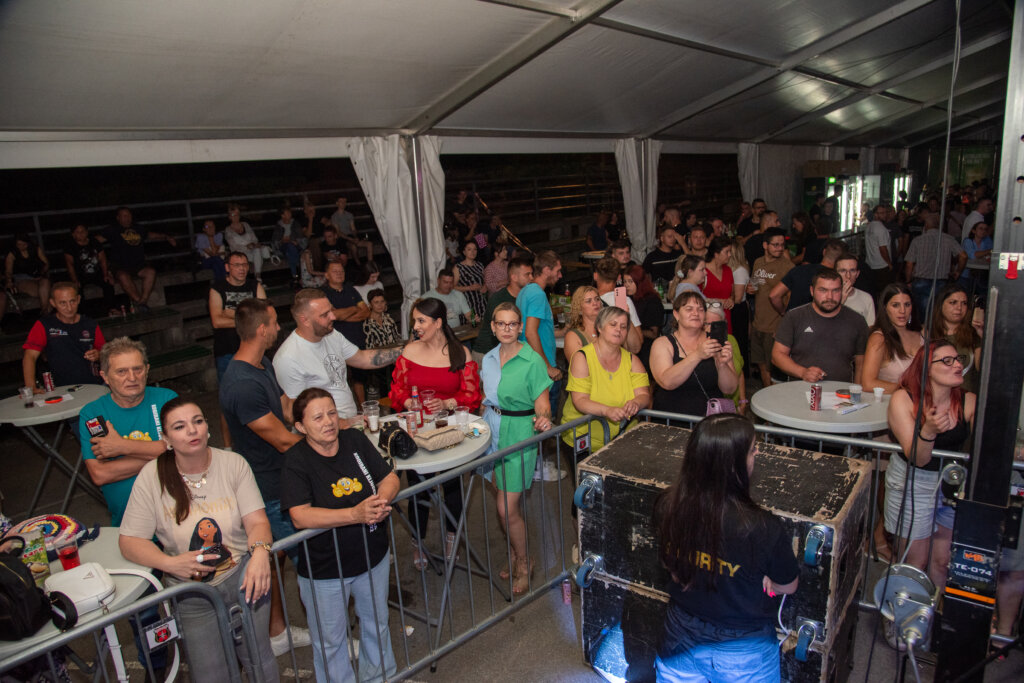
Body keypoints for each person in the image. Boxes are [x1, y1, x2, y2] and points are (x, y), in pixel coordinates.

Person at [119, 398, 278, 683]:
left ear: (207, 427)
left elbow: (257, 522)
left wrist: (259, 555)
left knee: (260, 663)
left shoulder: (233, 464)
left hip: (245, 581)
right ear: (166, 439)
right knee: (210, 674)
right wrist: (169, 563)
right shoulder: (151, 477)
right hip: (191, 596)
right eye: (180, 426)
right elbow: (130, 540)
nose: (192, 430)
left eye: (198, 421)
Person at [654, 414, 798, 682]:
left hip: (679, 633)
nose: (757, 454)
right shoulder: (763, 526)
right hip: (743, 649)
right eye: (753, 450)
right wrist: (771, 586)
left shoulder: (667, 506)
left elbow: (672, 567)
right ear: (733, 466)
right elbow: (788, 586)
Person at [281, 388, 399, 683]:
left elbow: (389, 477)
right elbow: (300, 515)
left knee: (377, 625)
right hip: (325, 570)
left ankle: (380, 677)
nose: (328, 421)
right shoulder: (296, 460)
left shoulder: (354, 441)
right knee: (331, 642)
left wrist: (381, 501)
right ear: (300, 427)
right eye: (318, 417)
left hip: (372, 557)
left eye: (332, 413)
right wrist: (353, 515)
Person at [219, 297, 312, 655]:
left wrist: (316, 415)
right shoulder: (242, 383)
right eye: (274, 323)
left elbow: (286, 406)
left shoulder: (262, 364)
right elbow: (283, 440)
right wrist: (324, 438)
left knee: (277, 561)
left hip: (279, 478)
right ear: (261, 330)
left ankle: (276, 633)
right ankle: (327, 636)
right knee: (310, 563)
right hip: (269, 488)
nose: (278, 328)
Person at [390, 297, 482, 569]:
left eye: (422, 321)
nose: (416, 326)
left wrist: (446, 403)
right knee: (418, 489)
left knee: (452, 487)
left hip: (450, 431)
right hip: (417, 431)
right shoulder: (410, 350)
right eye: (415, 321)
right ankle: (417, 541)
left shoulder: (460, 353)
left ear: (439, 322)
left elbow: (471, 395)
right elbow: (397, 389)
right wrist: (409, 403)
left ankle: (453, 536)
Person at [885, 341, 976, 589]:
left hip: (951, 483)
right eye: (947, 361)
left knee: (943, 561)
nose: (957, 365)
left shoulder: (968, 400)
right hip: (913, 482)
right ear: (926, 368)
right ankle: (904, 611)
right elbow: (919, 459)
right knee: (915, 562)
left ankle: (935, 610)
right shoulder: (903, 399)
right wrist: (928, 431)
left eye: (958, 359)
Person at [479, 303, 553, 593]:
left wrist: (543, 419)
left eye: (512, 324)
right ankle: (513, 551)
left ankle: (524, 561)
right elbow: (487, 398)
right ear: (493, 326)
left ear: (521, 327)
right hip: (492, 429)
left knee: (505, 508)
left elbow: (543, 403)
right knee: (501, 497)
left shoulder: (532, 360)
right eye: (501, 323)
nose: (507, 329)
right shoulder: (488, 358)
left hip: (520, 431)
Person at [79, 337, 177, 525]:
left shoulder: (167, 400)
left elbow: (186, 450)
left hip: (178, 514)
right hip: (130, 522)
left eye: (137, 369)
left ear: (147, 370)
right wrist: (165, 453)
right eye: (121, 371)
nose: (132, 378)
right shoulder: (93, 414)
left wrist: (123, 446)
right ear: (105, 377)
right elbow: (100, 474)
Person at [274, 289, 401, 422]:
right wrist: (340, 423)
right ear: (304, 320)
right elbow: (292, 413)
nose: (333, 317)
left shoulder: (331, 334)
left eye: (331, 311)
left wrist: (405, 351)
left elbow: (362, 358)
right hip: (326, 430)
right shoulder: (288, 358)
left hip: (349, 422)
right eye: (325, 314)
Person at [560, 306, 650, 454]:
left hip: (623, 438)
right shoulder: (582, 357)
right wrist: (607, 410)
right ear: (600, 327)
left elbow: (644, 395)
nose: (618, 330)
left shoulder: (633, 360)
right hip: (584, 439)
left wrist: (636, 403)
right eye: (613, 324)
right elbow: (580, 400)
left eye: (623, 327)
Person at [773, 268, 868, 384]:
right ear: (812, 291)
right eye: (823, 290)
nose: (830, 297)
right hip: (800, 389)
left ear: (842, 291)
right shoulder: (794, 317)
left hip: (842, 392)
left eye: (836, 290)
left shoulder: (857, 321)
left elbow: (861, 363)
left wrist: (857, 391)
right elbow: (777, 355)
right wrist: (803, 372)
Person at [650, 291, 737, 418]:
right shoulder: (662, 343)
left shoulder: (715, 341)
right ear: (676, 314)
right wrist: (697, 355)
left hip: (709, 421)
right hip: (672, 419)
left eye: (700, 309)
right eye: (689, 309)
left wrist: (722, 364)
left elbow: (730, 389)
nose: (696, 313)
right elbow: (667, 382)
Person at [22, 282, 105, 391]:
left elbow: (106, 352)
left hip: (93, 385)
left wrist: (98, 354)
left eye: (72, 301)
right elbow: (30, 356)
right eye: (63, 303)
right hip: (61, 388)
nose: (69, 308)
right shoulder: (45, 325)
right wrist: (31, 387)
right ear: (53, 303)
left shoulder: (90, 324)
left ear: (78, 299)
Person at [101, 207, 175, 311]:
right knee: (123, 276)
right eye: (124, 216)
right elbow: (97, 240)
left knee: (151, 272)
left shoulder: (138, 228)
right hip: (120, 266)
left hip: (138, 265)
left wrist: (166, 237)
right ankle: (139, 301)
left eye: (129, 215)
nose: (127, 218)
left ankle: (143, 301)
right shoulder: (112, 230)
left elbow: (150, 235)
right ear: (118, 218)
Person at [749, 228, 793, 387]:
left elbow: (791, 298)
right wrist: (750, 288)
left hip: (774, 327)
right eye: (775, 245)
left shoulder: (787, 267)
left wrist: (783, 325)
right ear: (765, 245)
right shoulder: (758, 262)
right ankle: (766, 394)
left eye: (782, 245)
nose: (780, 248)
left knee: (773, 368)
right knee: (761, 365)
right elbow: (754, 286)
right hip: (758, 323)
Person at [321, 261, 370, 404]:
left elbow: (366, 311)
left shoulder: (351, 289)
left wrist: (343, 315)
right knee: (339, 377)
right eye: (335, 271)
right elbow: (334, 315)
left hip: (357, 339)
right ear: (327, 275)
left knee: (360, 377)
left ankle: (362, 407)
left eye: (341, 271)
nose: (339, 274)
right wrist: (354, 308)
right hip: (335, 343)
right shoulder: (323, 293)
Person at [862, 283, 923, 395]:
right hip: (892, 402)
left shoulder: (923, 334)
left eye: (907, 304)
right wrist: (909, 390)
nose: (902, 311)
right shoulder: (879, 339)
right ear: (885, 308)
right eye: (895, 305)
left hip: (923, 402)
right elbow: (868, 384)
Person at [472, 255, 534, 364]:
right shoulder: (499, 299)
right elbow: (498, 332)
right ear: (514, 277)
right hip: (487, 353)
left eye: (531, 274)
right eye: (527, 274)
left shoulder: (524, 296)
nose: (531, 278)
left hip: (504, 352)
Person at [904, 213, 967, 318]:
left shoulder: (917, 240)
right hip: (941, 281)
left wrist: (908, 280)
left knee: (921, 314)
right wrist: (958, 271)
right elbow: (963, 256)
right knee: (937, 312)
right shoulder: (949, 239)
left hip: (921, 280)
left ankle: (923, 328)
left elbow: (909, 263)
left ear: (926, 225)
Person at [930, 284, 983, 394]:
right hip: (935, 397)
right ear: (941, 304)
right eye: (953, 302)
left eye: (964, 303)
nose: (959, 308)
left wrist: (982, 336)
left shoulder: (974, 334)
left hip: (966, 398)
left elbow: (982, 368)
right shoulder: (927, 333)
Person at [768, 238, 844, 314]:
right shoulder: (837, 279)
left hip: (793, 318)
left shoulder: (799, 270)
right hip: (817, 319)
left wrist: (784, 312)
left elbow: (774, 295)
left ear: (824, 252)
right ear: (842, 259)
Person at [63, 224, 116, 316]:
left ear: (87, 232)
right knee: (77, 290)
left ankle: (111, 309)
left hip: (96, 272)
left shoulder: (94, 242)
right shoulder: (70, 246)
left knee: (108, 284)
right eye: (77, 232)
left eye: (83, 231)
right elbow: (70, 265)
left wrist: (105, 274)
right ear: (73, 234)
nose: (81, 234)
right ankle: (82, 314)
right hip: (80, 274)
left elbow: (103, 259)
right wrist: (75, 280)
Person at [593, 257, 642, 354]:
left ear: (595, 276)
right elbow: (637, 344)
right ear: (619, 277)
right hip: (617, 355)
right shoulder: (624, 300)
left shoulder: (588, 301)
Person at [223, 203, 271, 282]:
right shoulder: (228, 230)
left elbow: (254, 239)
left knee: (257, 250)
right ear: (229, 217)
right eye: (233, 215)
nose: (236, 217)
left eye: (237, 214)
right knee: (257, 253)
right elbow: (234, 246)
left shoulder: (246, 225)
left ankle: (258, 277)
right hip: (240, 254)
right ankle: (257, 278)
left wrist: (254, 244)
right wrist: (246, 246)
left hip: (253, 251)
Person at [5, 233, 51, 314]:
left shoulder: (35, 249)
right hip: (21, 279)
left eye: (24, 244)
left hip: (37, 276)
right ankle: (46, 311)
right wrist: (9, 282)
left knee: (45, 283)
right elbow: (8, 271)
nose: (21, 246)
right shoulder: (12, 254)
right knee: (42, 292)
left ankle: (44, 310)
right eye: (19, 244)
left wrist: (42, 272)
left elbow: (46, 263)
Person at [627, 265, 664, 365]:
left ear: (639, 282)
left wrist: (635, 331)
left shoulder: (652, 301)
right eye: (624, 282)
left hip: (647, 350)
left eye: (630, 281)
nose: (626, 285)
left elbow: (654, 333)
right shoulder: (630, 299)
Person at [727, 239, 751, 377]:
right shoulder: (732, 269)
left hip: (738, 309)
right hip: (734, 309)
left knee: (739, 342)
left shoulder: (740, 271)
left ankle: (742, 374)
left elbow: (737, 297)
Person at [562, 285, 603, 366]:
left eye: (597, 299)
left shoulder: (608, 328)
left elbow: (631, 348)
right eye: (588, 301)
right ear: (579, 308)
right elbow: (579, 367)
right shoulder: (572, 336)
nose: (595, 303)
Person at [700, 237, 735, 331]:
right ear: (716, 254)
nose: (730, 255)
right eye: (727, 252)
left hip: (726, 317)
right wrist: (717, 301)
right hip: (708, 320)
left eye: (730, 251)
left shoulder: (728, 270)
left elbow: (732, 293)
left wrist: (731, 299)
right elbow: (695, 297)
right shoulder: (702, 271)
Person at [835, 252, 875, 326]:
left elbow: (871, 328)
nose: (848, 276)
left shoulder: (866, 298)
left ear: (857, 274)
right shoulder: (827, 297)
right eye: (843, 271)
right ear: (835, 273)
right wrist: (841, 300)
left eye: (852, 271)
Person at [331, 197, 374, 265]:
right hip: (342, 238)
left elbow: (353, 229)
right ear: (337, 203)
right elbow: (338, 232)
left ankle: (370, 265)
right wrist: (351, 239)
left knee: (369, 244)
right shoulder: (334, 216)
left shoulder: (349, 215)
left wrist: (355, 237)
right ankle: (359, 265)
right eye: (341, 201)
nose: (343, 203)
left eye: (345, 202)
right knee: (353, 247)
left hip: (350, 237)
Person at [271, 206, 308, 285]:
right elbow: (275, 241)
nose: (290, 214)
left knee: (290, 251)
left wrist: (295, 241)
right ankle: (300, 275)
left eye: (290, 212)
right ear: (282, 215)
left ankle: (294, 276)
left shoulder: (295, 223)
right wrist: (282, 241)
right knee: (290, 248)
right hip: (284, 247)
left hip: (295, 246)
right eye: (287, 213)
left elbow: (301, 237)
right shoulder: (279, 226)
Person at [863, 205, 895, 290]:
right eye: (882, 213)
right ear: (875, 214)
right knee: (883, 289)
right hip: (881, 265)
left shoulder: (869, 226)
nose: (885, 215)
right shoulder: (881, 229)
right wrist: (889, 263)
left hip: (870, 263)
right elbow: (883, 248)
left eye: (885, 212)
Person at [454, 240, 488, 320]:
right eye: (469, 249)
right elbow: (452, 287)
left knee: (483, 323)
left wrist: (485, 286)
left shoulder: (480, 265)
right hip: (467, 302)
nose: (473, 252)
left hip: (481, 301)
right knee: (472, 324)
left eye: (475, 249)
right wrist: (469, 288)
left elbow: (485, 281)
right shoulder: (458, 267)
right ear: (464, 252)